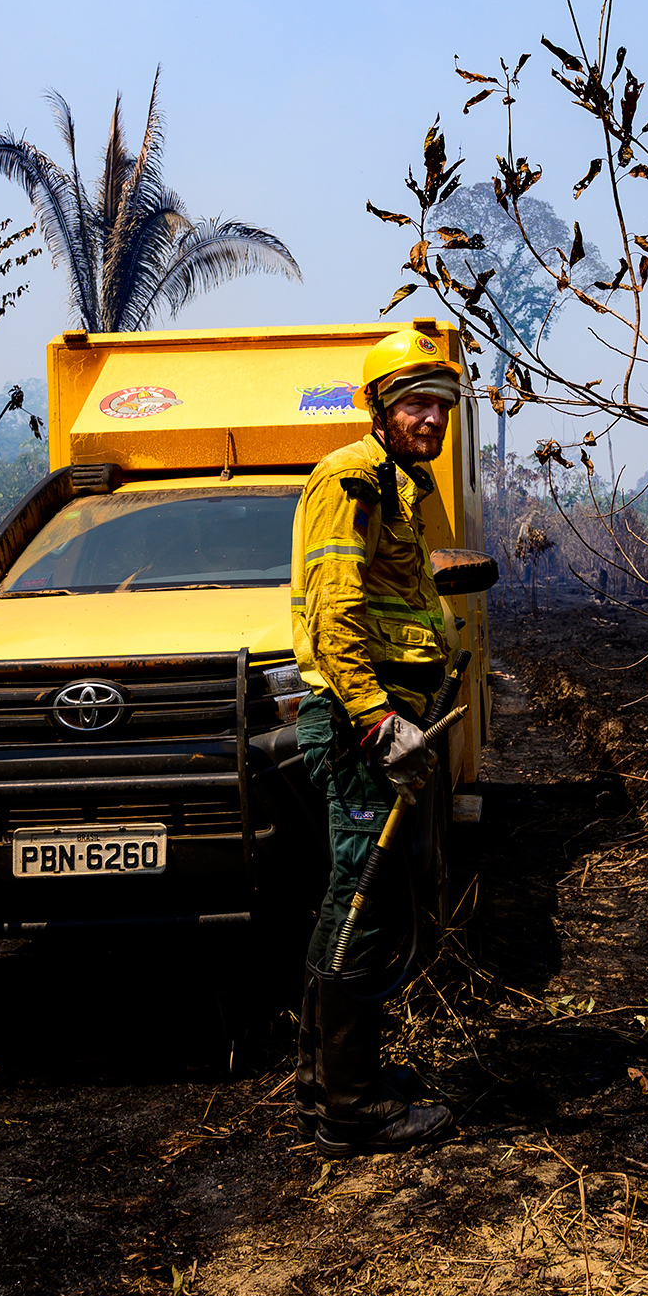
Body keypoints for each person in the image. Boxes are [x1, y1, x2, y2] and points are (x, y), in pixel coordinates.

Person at [288, 326, 462, 1156]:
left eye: (443, 403)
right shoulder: (351, 476)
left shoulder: (400, 482)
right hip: (370, 719)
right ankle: (351, 1110)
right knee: (361, 899)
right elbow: (336, 609)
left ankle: (327, 1084)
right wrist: (375, 717)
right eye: (415, 402)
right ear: (380, 407)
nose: (431, 417)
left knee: (360, 896)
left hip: (391, 709)